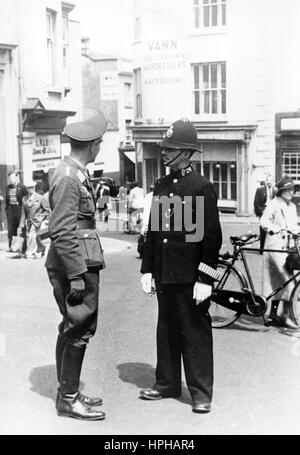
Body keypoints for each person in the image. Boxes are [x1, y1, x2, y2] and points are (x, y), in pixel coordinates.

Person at [139, 118, 222, 413]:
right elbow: (154, 231)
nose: (164, 153)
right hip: (165, 273)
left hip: (189, 276)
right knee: (167, 328)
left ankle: (201, 393)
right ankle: (166, 383)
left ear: (186, 153)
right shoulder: (161, 185)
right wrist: (147, 269)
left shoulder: (200, 187)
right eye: (164, 147)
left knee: (195, 332)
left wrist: (205, 279)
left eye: (170, 149)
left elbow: (210, 239)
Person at [45, 113, 108, 421]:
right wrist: (77, 276)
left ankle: (66, 391)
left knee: (71, 326)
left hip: (77, 260)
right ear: (93, 146)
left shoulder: (72, 172)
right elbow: (62, 230)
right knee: (79, 327)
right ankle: (68, 399)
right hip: (75, 263)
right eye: (100, 144)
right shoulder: (69, 177)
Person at [260, 176, 299, 330]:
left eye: (293, 189)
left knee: (280, 283)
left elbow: (293, 226)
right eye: (288, 189)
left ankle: (274, 315)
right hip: (275, 247)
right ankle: (285, 316)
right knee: (287, 282)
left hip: (288, 248)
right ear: (281, 190)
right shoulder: (273, 204)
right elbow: (263, 221)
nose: (291, 192)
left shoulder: (292, 207)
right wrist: (273, 228)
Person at [19, 180, 50, 259]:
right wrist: (21, 224)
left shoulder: (40, 198)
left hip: (37, 221)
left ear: (34, 187)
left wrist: (40, 218)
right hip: (29, 222)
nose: (30, 189)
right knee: (35, 236)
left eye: (32, 187)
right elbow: (23, 213)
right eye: (29, 188)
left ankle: (29, 252)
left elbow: (47, 211)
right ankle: (42, 247)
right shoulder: (24, 199)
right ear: (26, 189)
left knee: (31, 235)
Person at [5, 171, 28, 252]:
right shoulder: (8, 188)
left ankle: (23, 247)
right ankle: (12, 247)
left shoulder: (22, 187)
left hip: (19, 209)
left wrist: (25, 212)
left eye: (12, 178)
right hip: (10, 209)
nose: (11, 180)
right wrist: (7, 211)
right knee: (11, 229)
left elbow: (26, 200)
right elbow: (7, 201)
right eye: (10, 178)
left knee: (21, 228)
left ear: (16, 177)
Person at [254, 174, 276, 252]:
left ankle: (270, 249)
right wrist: (261, 213)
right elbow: (256, 203)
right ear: (266, 181)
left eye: (271, 180)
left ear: (273, 182)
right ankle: (262, 249)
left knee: (272, 231)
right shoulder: (260, 190)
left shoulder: (275, 190)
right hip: (263, 212)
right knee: (263, 231)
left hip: (272, 213)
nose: (269, 182)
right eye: (268, 180)